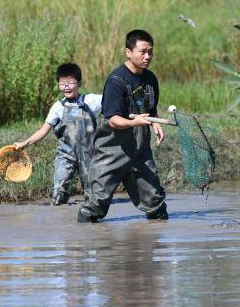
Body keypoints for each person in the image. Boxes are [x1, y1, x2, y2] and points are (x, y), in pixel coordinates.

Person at [77, 29, 168, 223]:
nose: (148, 56)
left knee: (155, 202)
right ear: (128, 52)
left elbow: (150, 110)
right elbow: (112, 120)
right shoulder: (116, 81)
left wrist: (156, 124)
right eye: (143, 51)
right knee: (95, 206)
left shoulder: (150, 79)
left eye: (150, 51)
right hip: (111, 151)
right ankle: (82, 242)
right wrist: (134, 122)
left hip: (139, 151)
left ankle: (152, 247)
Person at [14, 63, 102, 206]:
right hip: (65, 155)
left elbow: (113, 98)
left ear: (79, 83)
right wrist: (24, 143)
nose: (66, 87)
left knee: (93, 196)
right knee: (58, 194)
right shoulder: (58, 107)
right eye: (62, 83)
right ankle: (62, 210)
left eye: (69, 83)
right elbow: (43, 131)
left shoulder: (91, 101)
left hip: (89, 155)